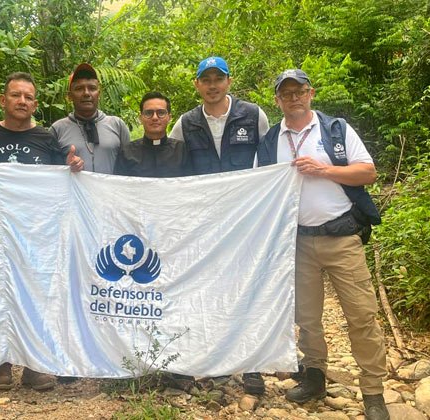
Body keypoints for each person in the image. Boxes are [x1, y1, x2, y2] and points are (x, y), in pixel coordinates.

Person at [256, 69, 389, 420]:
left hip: (342, 237)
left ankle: (373, 393)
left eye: (299, 91)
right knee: (308, 317)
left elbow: (368, 172)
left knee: (361, 315)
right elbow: (258, 190)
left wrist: (324, 170)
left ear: (311, 93)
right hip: (297, 241)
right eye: (286, 94)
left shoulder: (336, 130)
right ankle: (314, 375)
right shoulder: (271, 141)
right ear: (277, 100)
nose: (293, 98)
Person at [0, 72, 83, 391]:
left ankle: (33, 364)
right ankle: (1, 363)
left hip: (37, 233)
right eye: (16, 95)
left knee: (37, 294)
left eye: (28, 97)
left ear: (35, 104)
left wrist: (73, 164)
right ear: (3, 100)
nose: (22, 101)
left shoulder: (46, 138)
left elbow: (63, 178)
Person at [169, 56, 270, 395]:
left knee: (250, 287)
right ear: (197, 84)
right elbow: (173, 166)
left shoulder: (253, 115)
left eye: (218, 78)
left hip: (246, 223)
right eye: (205, 79)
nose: (212, 85)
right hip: (204, 226)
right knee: (208, 289)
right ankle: (211, 361)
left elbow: (270, 164)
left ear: (228, 81)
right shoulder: (185, 123)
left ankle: (253, 366)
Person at [51, 63, 131, 174]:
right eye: (79, 89)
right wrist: (67, 166)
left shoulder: (117, 125)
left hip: (109, 191)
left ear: (99, 93)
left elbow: (129, 166)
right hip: (73, 191)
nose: (86, 93)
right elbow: (50, 170)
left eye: (92, 88)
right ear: (69, 96)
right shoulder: (58, 129)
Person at [114, 92, 189, 177]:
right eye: (148, 113)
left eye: (161, 113)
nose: (155, 118)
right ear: (141, 118)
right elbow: (119, 187)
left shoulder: (182, 151)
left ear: (169, 118)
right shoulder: (126, 153)